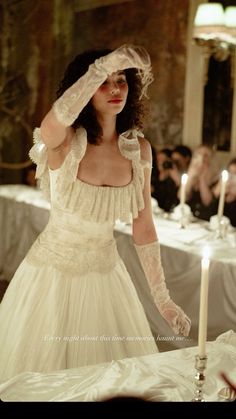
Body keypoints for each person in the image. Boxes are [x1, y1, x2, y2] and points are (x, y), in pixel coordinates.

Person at [0, 45, 191, 381]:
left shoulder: (138, 150)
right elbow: (49, 126)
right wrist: (99, 69)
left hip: (107, 278)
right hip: (50, 277)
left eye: (121, 80)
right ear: (85, 88)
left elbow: (144, 227)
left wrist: (164, 300)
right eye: (105, 82)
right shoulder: (66, 140)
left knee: (110, 381)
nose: (115, 89)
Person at [184, 144, 220, 220]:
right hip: (189, 218)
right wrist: (190, 175)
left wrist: (202, 178)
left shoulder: (217, 178)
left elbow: (207, 202)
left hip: (205, 220)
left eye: (206, 155)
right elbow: (182, 197)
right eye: (199, 155)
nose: (202, 158)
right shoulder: (191, 173)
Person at [151, 147, 179, 212]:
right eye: (158, 160)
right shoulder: (154, 174)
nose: (160, 162)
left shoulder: (174, 174)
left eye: (163, 160)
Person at [211, 157, 236, 227]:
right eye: (230, 173)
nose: (231, 178)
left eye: (235, 174)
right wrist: (216, 194)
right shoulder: (223, 190)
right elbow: (210, 217)